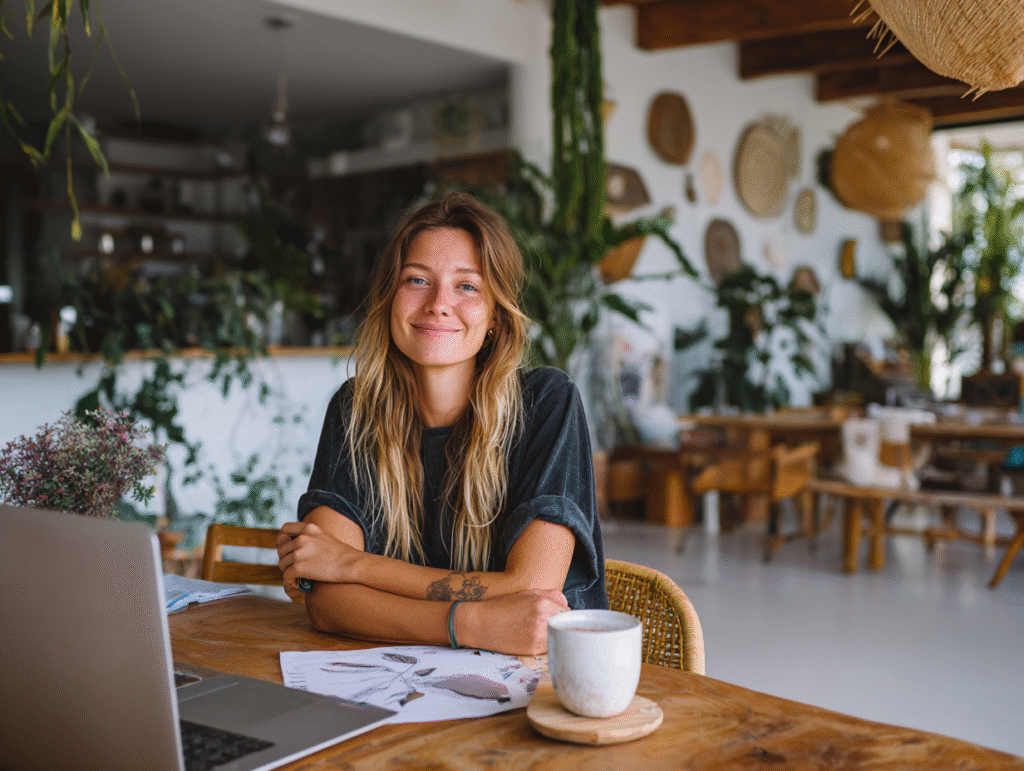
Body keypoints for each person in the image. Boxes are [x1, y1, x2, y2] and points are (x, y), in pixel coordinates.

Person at [277, 192, 606, 656]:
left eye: (467, 286)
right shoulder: (355, 411)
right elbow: (329, 603)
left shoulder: (546, 403)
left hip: (539, 679)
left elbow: (533, 587)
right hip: (389, 679)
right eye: (417, 280)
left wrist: (354, 565)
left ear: (495, 316)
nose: (438, 303)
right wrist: (470, 623)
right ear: (390, 299)